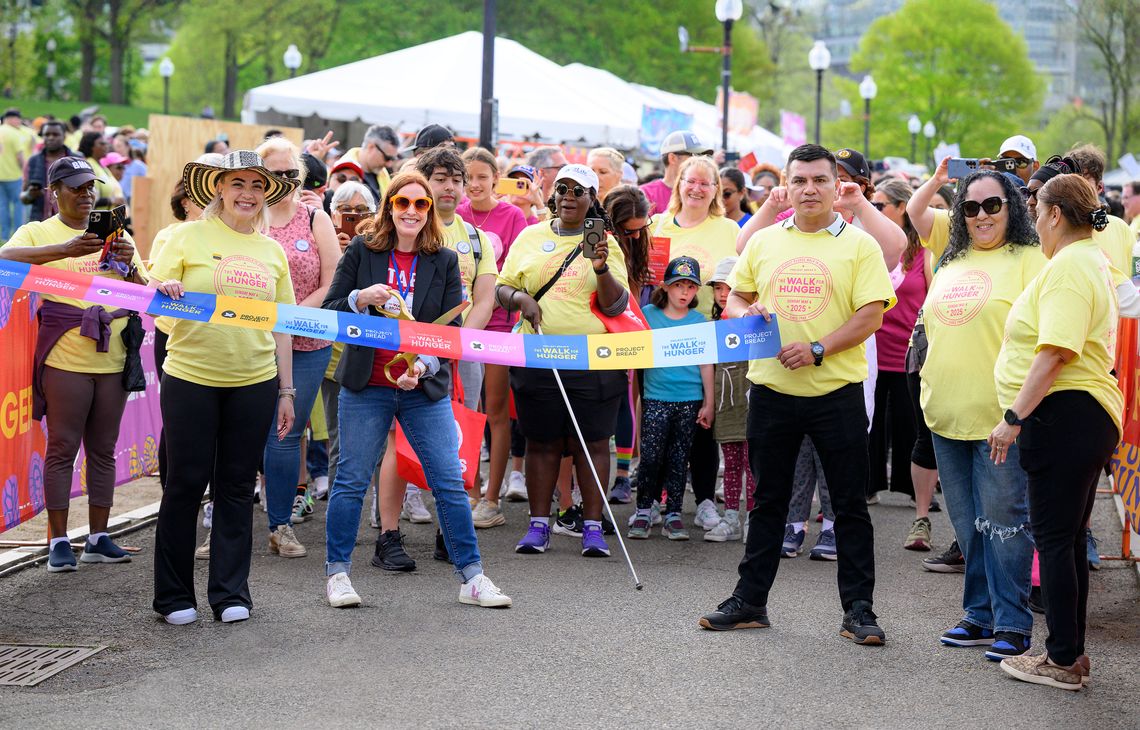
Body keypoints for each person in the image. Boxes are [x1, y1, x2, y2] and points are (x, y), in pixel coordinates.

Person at [698, 144, 895, 646]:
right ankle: (750, 601)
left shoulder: (859, 245)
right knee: (770, 502)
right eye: (800, 180)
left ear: (837, 187)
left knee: (848, 505)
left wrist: (818, 348)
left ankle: (859, 611)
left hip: (836, 392)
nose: (810, 189)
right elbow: (736, 297)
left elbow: (872, 314)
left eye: (820, 181)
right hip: (771, 391)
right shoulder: (764, 242)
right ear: (787, 186)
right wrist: (746, 313)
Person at [320, 170, 511, 610]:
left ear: (429, 213)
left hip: (422, 386)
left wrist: (422, 366)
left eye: (420, 204)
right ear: (389, 208)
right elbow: (331, 311)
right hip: (367, 383)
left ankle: (473, 576)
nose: (411, 211)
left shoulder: (442, 260)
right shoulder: (363, 253)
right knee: (350, 479)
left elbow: (452, 329)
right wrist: (360, 298)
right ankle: (338, 573)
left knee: (448, 479)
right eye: (402, 203)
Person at [148, 150, 299, 625]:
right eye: (238, 184)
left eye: (257, 187)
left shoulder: (272, 252)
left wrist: (286, 392)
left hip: (253, 381)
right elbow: (153, 305)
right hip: (191, 376)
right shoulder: (185, 237)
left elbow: (284, 326)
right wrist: (166, 293)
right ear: (218, 188)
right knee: (184, 485)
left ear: (266, 195)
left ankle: (231, 593)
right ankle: (173, 598)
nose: (247, 195)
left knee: (236, 487)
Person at [907, 156, 1044, 660]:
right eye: (970, 207)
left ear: (1014, 208)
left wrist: (1019, 414)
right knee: (969, 526)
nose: (981, 215)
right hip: (945, 414)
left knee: (1005, 523)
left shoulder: (1032, 259)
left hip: (1001, 419)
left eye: (992, 205)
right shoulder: (953, 260)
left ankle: (1013, 623)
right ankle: (978, 614)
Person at [993, 174, 1121, 691]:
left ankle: (1062, 658)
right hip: (1078, 415)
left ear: (1053, 215)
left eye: (1035, 208)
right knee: (1065, 539)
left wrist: (1012, 418)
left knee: (1055, 539)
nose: (1032, 218)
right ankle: (1069, 652)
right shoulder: (1084, 261)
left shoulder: (1070, 266)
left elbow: (1055, 351)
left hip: (1065, 414)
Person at [0, 157, 147, 572]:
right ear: (55, 192)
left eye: (90, 188)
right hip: (65, 357)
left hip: (113, 355)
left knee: (103, 449)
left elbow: (145, 289)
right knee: (63, 447)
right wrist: (61, 250)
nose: (86, 195)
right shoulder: (38, 231)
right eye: (76, 188)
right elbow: (5, 258)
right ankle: (59, 541)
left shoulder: (118, 236)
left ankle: (98, 538)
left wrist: (130, 263)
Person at [496, 163, 631, 558]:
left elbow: (616, 303)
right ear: (553, 195)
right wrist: (520, 300)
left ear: (592, 199)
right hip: (537, 355)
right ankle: (539, 525)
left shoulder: (605, 241)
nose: (569, 196)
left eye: (579, 191)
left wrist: (601, 265)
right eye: (562, 189)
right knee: (542, 441)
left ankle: (592, 527)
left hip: (593, 360)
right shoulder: (529, 236)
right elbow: (504, 286)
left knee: (592, 442)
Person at [255, 136, 340, 553]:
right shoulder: (248, 220)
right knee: (238, 433)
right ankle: (223, 525)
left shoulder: (314, 219)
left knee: (286, 433)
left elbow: (331, 282)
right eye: (275, 173)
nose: (285, 180)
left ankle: (279, 524)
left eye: (292, 173)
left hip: (307, 342)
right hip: (248, 342)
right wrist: (266, 324)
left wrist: (285, 318)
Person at [649, 155, 741, 531]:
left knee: (704, 420)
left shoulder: (730, 229)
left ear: (716, 189)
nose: (697, 188)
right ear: (679, 183)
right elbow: (647, 281)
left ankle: (704, 500)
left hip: (711, 335)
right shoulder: (658, 226)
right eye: (691, 180)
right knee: (658, 426)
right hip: (662, 340)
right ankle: (652, 499)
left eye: (706, 182)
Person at [456, 146, 530, 524]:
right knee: (469, 410)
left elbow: (518, 269)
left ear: (495, 179)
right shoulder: (454, 216)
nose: (474, 184)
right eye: (467, 177)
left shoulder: (512, 216)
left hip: (501, 326)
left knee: (498, 412)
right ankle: (470, 487)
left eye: (482, 177)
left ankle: (492, 498)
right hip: (463, 325)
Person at [868, 178, 935, 549]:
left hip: (910, 351)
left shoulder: (923, 250)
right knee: (872, 422)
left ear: (900, 208)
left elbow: (933, 296)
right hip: (874, 348)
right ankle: (870, 485)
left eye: (881, 205)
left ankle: (915, 493)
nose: (875, 210)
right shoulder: (871, 246)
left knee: (911, 423)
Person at [627, 256, 713, 540]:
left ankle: (673, 512)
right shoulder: (649, 314)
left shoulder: (700, 321)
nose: (684, 292)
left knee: (679, 459)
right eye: (678, 285)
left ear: (697, 290)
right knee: (651, 458)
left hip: (689, 399)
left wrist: (708, 403)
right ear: (665, 286)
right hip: (656, 398)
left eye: (690, 286)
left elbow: (706, 364)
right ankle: (644, 509)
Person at [602, 185, 652, 504]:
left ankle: (622, 475)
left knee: (624, 398)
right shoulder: (602, 241)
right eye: (628, 231)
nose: (635, 236)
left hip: (627, 330)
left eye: (641, 229)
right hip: (597, 330)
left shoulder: (641, 242)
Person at [704, 257, 754, 542]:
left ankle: (754, 520)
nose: (723, 294)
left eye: (729, 287)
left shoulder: (756, 324)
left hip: (752, 403)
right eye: (718, 287)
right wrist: (709, 404)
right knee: (731, 464)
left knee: (753, 465)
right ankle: (732, 517)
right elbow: (709, 368)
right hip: (726, 404)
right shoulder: (713, 326)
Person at [22, 119, 82, 222]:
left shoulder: (76, 159)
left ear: (64, 136)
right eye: (47, 134)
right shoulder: (33, 161)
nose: (50, 138)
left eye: (55, 134)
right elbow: (23, 197)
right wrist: (31, 194)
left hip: (71, 220)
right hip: (41, 221)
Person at [640, 130, 712, 215]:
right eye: (694, 156)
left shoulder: (705, 192)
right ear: (672, 158)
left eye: (702, 156)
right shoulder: (646, 194)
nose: (699, 161)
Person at [354, 124, 400, 203]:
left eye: (393, 159)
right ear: (371, 147)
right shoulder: (343, 172)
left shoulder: (383, 175)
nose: (389, 164)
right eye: (387, 158)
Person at [0, 109, 28, 238]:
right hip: (13, 175)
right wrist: (26, 172)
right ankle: (17, 235)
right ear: (11, 118)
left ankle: (4, 235)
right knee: (18, 205)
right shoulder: (14, 133)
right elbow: (20, 157)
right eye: (18, 119)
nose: (19, 122)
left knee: (2, 205)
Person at [77, 132, 124, 206]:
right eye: (102, 144)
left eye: (106, 143)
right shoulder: (88, 166)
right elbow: (89, 196)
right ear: (90, 146)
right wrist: (112, 201)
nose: (106, 146)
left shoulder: (102, 167)